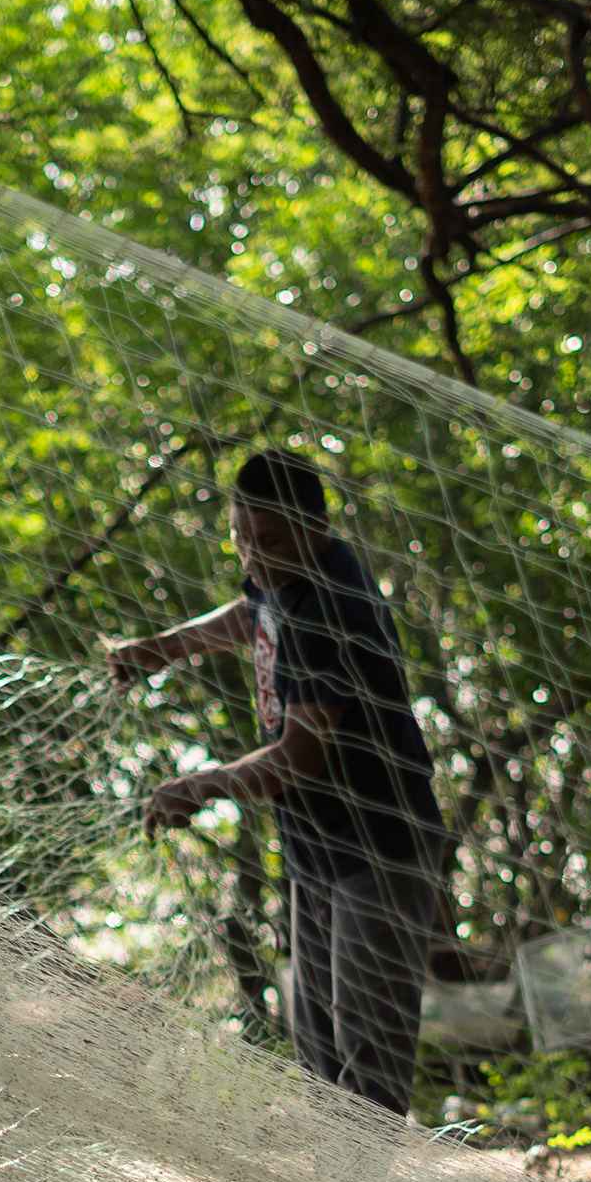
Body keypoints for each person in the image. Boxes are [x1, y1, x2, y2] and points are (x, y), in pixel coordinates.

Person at [110, 452, 451, 1115]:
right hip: (315, 849)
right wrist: (166, 647)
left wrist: (198, 787)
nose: (249, 557)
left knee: (364, 1057)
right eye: (239, 538)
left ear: (314, 528)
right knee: (318, 1049)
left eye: (264, 542)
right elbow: (251, 614)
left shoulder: (331, 608)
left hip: (377, 851)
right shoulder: (284, 574)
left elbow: (296, 757)